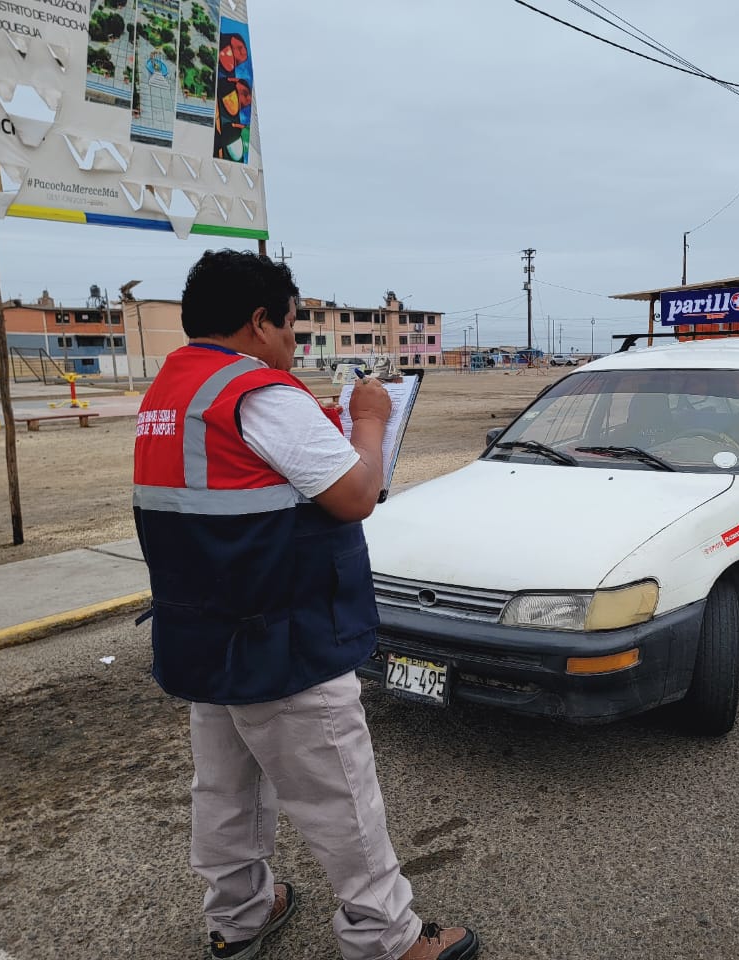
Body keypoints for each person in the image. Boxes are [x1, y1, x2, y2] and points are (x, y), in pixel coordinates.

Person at [132, 250, 479, 960]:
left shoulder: (173, 392)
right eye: (292, 330)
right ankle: (388, 939)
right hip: (283, 634)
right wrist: (373, 420)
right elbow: (355, 496)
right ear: (260, 323)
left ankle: (239, 917)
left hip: (202, 634)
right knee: (339, 794)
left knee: (225, 791)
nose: (293, 345)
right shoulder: (260, 393)